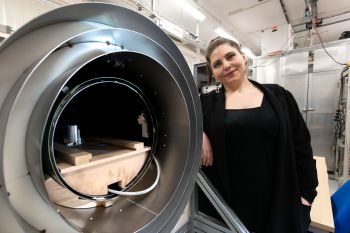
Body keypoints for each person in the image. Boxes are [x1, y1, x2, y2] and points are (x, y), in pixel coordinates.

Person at [200, 36, 318, 233]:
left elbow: (302, 145)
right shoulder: (206, 104)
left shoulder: (279, 97)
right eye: (218, 63)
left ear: (244, 58)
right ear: (213, 72)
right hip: (230, 205)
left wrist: (307, 194)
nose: (227, 65)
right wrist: (199, 132)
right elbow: (175, 115)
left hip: (278, 196)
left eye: (231, 56)